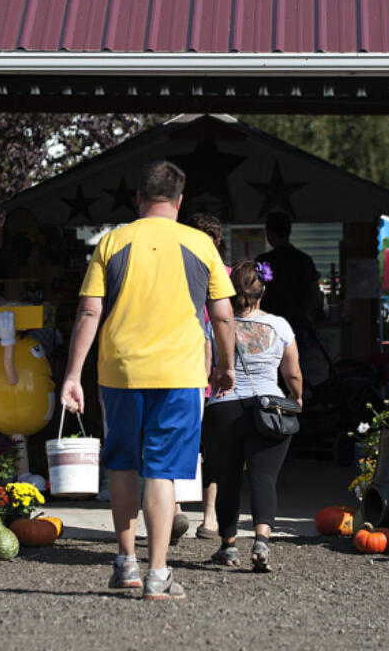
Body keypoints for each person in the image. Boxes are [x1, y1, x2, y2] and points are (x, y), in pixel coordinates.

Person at [61, 160, 235, 601]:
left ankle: (126, 564)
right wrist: (226, 365)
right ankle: (159, 574)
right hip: (179, 373)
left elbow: (88, 311)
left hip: (119, 370)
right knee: (162, 471)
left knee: (123, 463)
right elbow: (223, 315)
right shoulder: (201, 244)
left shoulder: (113, 241)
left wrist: (72, 375)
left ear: (138, 198)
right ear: (179, 200)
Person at [203, 260, 303, 573]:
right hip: (268, 407)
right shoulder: (280, 326)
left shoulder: (215, 324)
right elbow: (293, 373)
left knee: (227, 478)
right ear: (263, 291)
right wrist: (296, 398)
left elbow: (206, 370)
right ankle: (261, 541)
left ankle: (229, 546)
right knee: (263, 478)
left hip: (224, 407)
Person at [187, 212, 225, 540]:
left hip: (216, 380)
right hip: (183, 371)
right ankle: (171, 509)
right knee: (177, 441)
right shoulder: (175, 274)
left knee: (213, 449)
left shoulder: (225, 275)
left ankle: (209, 515)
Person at [256, 211, 321, 358]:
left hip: (268, 328)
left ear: (269, 233)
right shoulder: (304, 260)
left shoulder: (264, 261)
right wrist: (308, 315)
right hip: (298, 325)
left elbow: (254, 294)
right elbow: (315, 295)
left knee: (271, 374)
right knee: (297, 372)